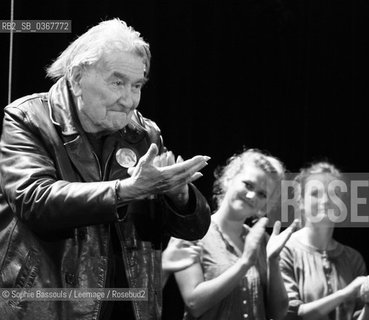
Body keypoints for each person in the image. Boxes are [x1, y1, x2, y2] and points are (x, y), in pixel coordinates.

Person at [0, 19, 211, 320]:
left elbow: (193, 230)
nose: (129, 100)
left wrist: (179, 196)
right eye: (117, 82)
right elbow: (35, 200)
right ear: (76, 77)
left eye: (136, 86)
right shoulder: (28, 118)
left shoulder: (144, 133)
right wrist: (124, 191)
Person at [174, 149, 299, 320]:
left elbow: (278, 313)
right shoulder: (191, 233)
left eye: (262, 194)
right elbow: (195, 304)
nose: (251, 196)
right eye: (248, 184)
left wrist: (273, 260)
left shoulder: (263, 241)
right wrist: (245, 263)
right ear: (229, 179)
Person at [279, 162, 369, 320]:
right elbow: (289, 315)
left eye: (333, 193)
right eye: (315, 193)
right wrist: (346, 293)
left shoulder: (353, 258)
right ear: (301, 202)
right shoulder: (285, 251)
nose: (325, 200)